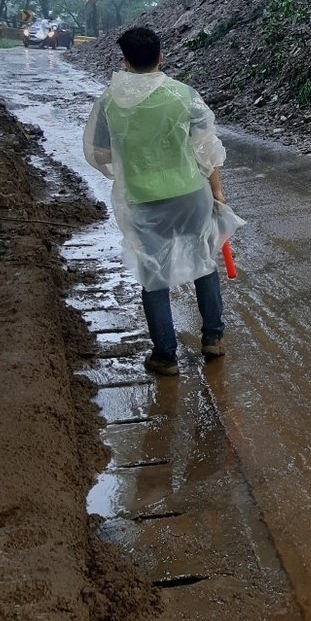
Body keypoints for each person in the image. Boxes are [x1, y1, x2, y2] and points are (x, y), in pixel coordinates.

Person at [83, 27, 240, 376]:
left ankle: (165, 355)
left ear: (124, 61)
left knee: (153, 275)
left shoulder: (109, 101)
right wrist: (216, 192)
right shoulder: (183, 95)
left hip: (142, 201)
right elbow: (207, 150)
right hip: (190, 195)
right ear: (161, 57)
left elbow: (99, 152)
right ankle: (213, 338)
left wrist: (132, 155)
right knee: (204, 260)